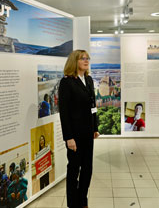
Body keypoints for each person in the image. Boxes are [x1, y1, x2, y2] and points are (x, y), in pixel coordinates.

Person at [59, 49, 100, 208]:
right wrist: (68, 137)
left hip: (88, 132)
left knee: (88, 169)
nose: (86, 60)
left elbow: (93, 106)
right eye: (82, 58)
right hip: (74, 135)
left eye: (87, 58)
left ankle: (82, 200)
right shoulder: (67, 82)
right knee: (74, 169)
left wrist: (94, 126)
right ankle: (72, 204)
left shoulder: (88, 80)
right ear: (74, 61)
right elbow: (64, 113)